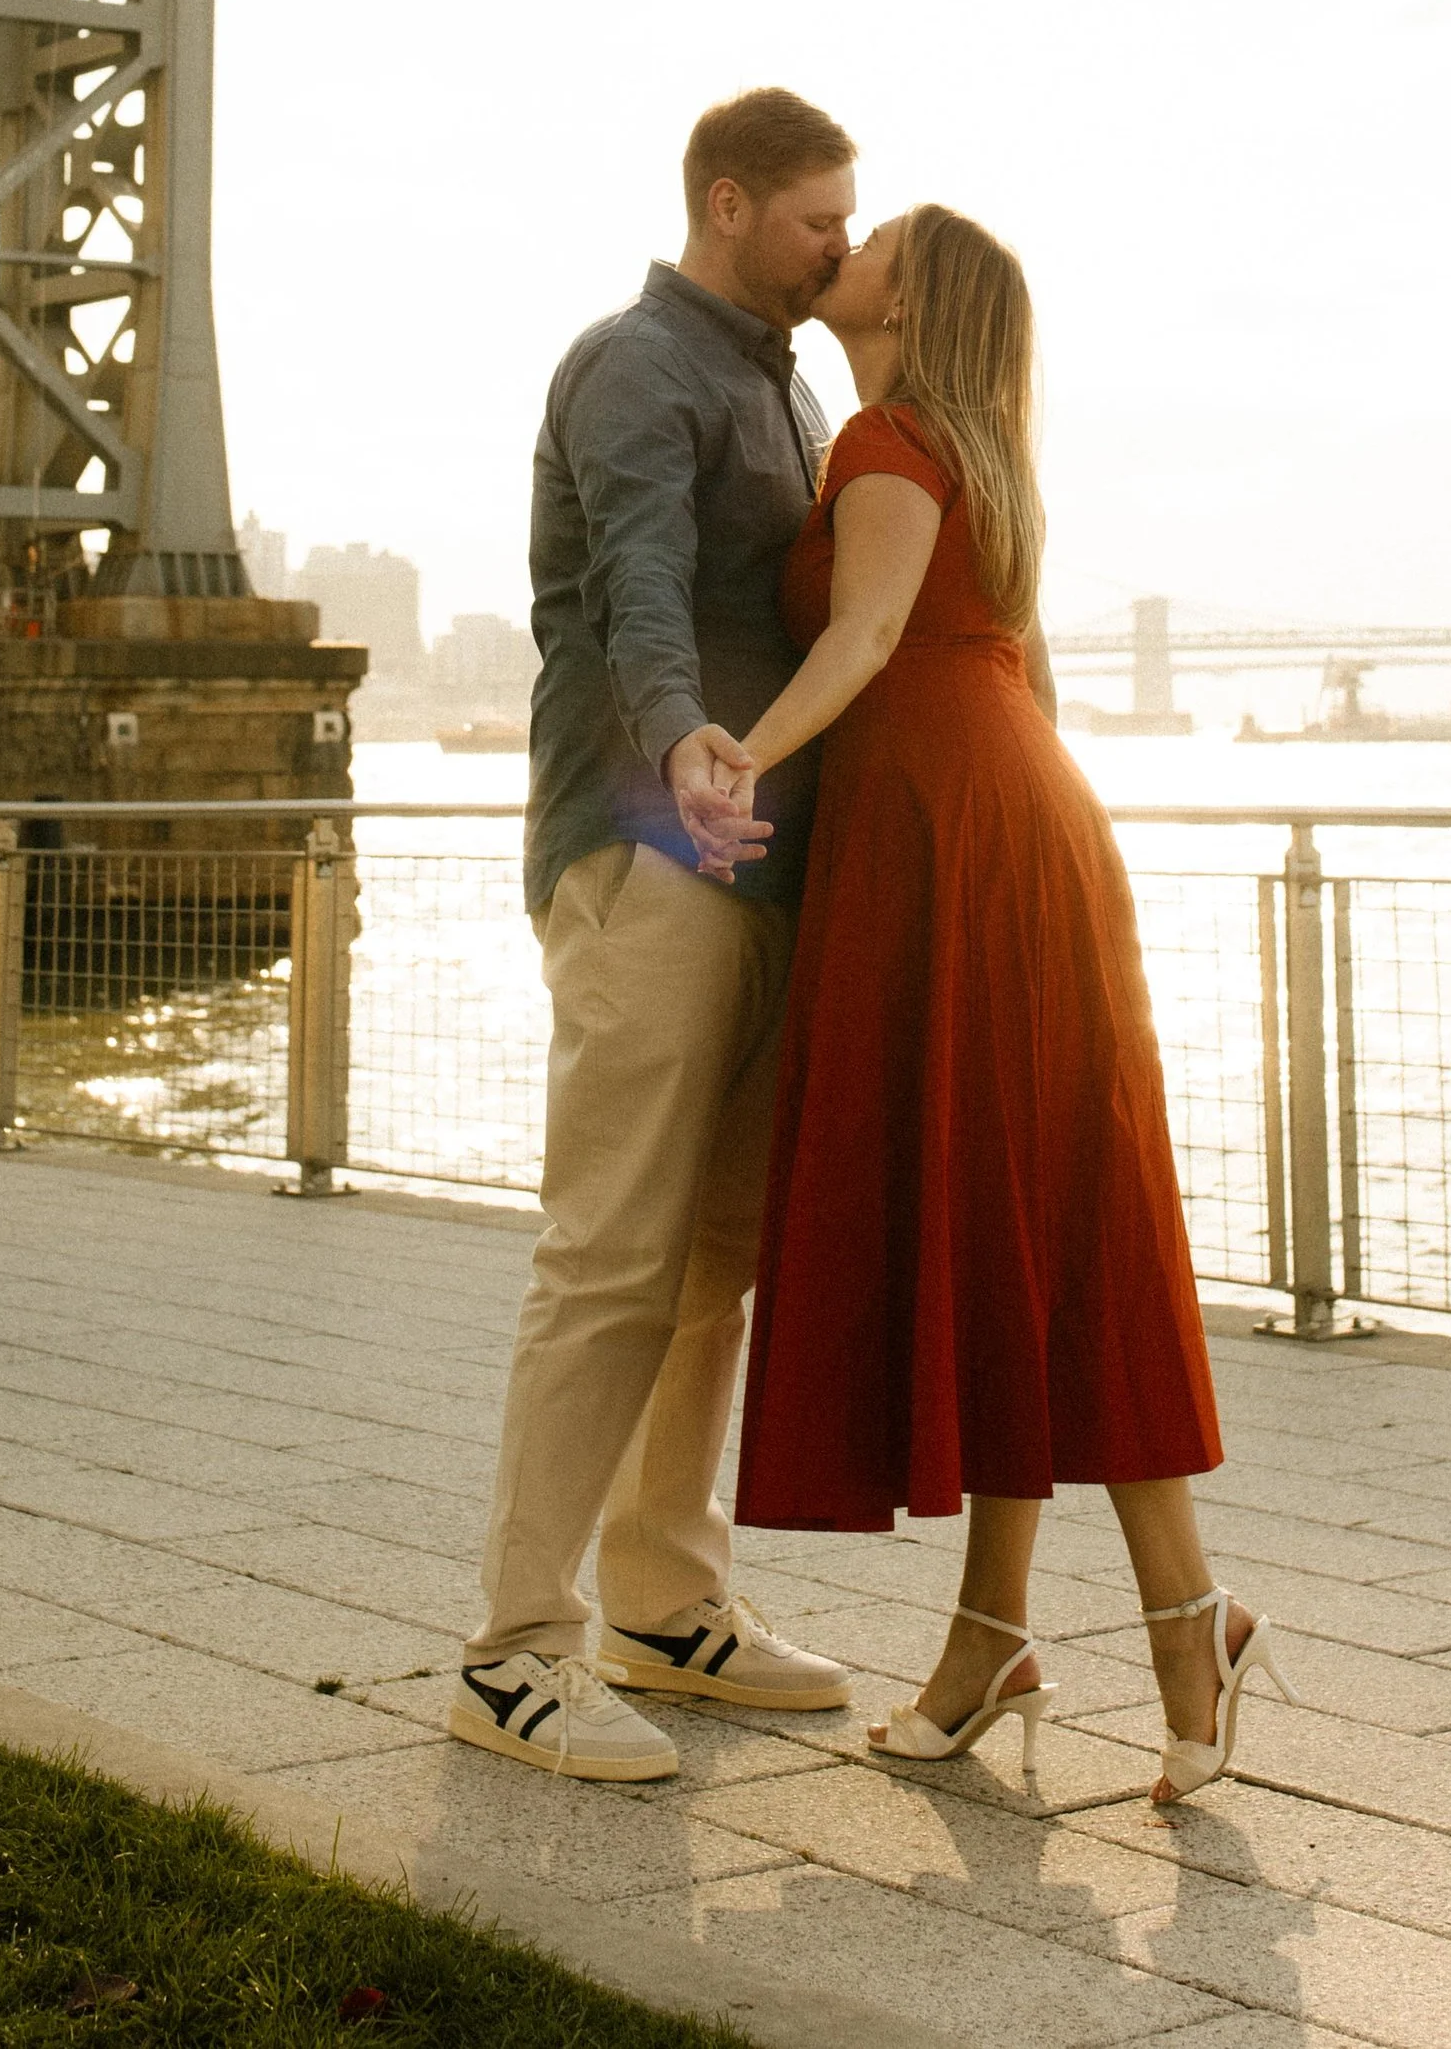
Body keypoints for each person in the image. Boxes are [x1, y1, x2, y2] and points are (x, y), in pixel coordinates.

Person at [732, 205, 1289, 1806]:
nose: (849, 236)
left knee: (1031, 1223)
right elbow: (1023, 680)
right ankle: (1022, 1635)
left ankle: (1160, 1622)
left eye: (876, 234)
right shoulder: (985, 454)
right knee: (1037, 1229)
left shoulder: (891, 442)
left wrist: (740, 757)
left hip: (953, 840)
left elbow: (871, 630)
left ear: (911, 296)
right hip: (1020, 826)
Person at [450, 90, 860, 1783]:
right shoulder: (636, 362)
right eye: (818, 217)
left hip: (765, 865)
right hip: (645, 848)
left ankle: (665, 1604)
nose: (842, 242)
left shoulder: (793, 381)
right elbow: (632, 578)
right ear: (727, 202)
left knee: (716, 1253)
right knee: (613, 1247)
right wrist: (685, 730)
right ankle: (515, 1650)